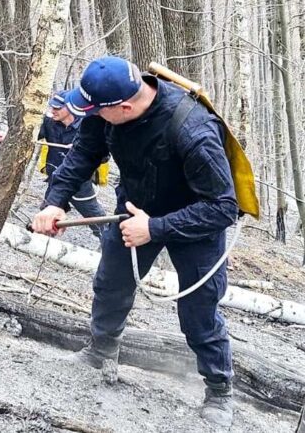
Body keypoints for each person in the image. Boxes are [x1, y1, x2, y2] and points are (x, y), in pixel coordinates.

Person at [31, 56, 238, 428]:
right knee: (111, 283)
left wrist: (155, 228)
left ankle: (219, 389)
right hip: (135, 207)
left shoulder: (192, 129)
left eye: (96, 111)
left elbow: (223, 207)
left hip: (197, 222)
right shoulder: (104, 110)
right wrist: (54, 201)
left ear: (124, 107)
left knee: (199, 311)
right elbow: (83, 154)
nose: (89, 115)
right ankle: (100, 353)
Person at [38, 90, 106, 239]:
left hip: (78, 182)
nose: (53, 111)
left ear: (69, 108)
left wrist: (79, 151)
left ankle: (111, 243)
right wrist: (9, 137)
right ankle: (41, 245)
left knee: (96, 218)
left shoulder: (88, 125)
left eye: (57, 108)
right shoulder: (49, 122)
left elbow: (103, 156)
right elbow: (32, 135)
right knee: (46, 217)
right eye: (52, 107)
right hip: (56, 179)